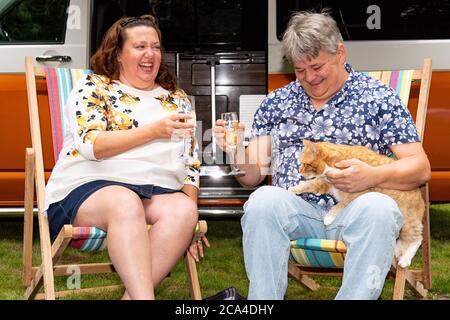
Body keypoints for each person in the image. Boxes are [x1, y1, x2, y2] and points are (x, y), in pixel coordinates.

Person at [213, 10, 430, 299]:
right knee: (262, 200)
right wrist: (236, 149)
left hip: (358, 212)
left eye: (316, 67)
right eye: (300, 70)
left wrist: (372, 176)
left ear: (340, 53)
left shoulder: (378, 98)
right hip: (298, 213)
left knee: (379, 207)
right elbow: (251, 176)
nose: (309, 78)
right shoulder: (277, 102)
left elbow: (420, 168)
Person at [44, 15, 208, 300]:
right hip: (87, 188)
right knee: (125, 201)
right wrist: (153, 131)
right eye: (140, 46)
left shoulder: (176, 98)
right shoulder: (94, 88)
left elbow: (190, 162)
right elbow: (91, 144)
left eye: (156, 47)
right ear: (118, 54)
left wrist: (191, 219)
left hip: (153, 192)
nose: (150, 54)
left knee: (183, 211)